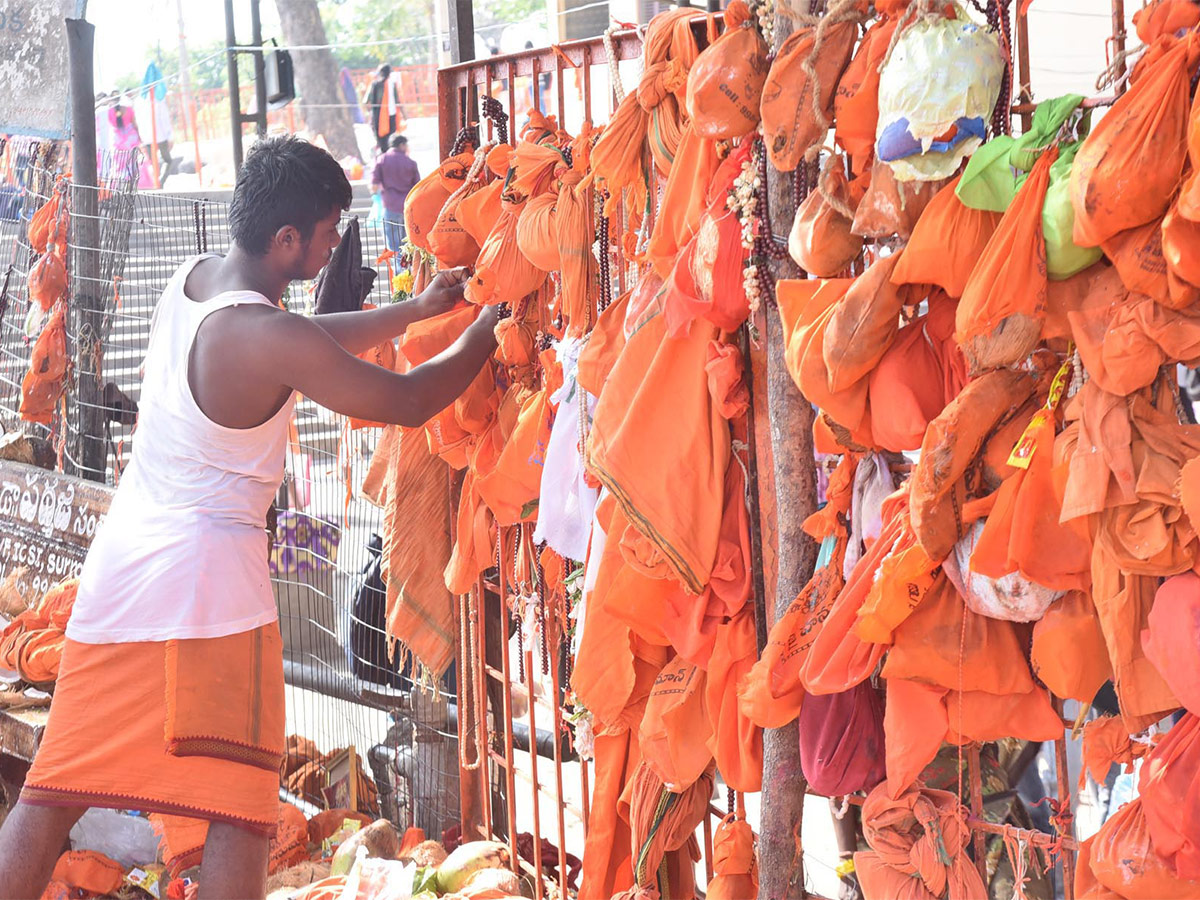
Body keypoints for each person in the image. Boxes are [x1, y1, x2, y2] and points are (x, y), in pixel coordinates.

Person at [0, 136, 499, 900]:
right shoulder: (266, 334)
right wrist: (491, 326)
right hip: (205, 596)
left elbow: (310, 345)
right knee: (239, 807)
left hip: (122, 577)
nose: (337, 242)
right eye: (330, 228)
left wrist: (414, 311)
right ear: (287, 238)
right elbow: (406, 401)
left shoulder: (197, 279)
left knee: (54, 789)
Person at [371, 133, 420, 251]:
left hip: (389, 206)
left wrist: (376, 196)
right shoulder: (410, 163)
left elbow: (374, 184)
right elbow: (418, 187)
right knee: (406, 245)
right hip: (406, 208)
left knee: (392, 245)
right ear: (402, 145)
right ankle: (406, 268)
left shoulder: (382, 159)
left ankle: (397, 268)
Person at [366, 64, 400, 154]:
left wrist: (369, 113)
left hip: (378, 116)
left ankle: (384, 155)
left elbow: (367, 101)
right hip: (391, 115)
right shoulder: (392, 84)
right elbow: (398, 101)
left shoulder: (375, 84)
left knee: (382, 140)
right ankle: (389, 155)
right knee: (390, 139)